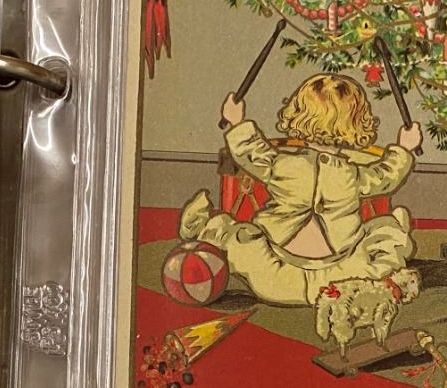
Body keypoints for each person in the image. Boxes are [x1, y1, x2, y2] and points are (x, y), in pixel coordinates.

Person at [176, 73, 423, 306]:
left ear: (299, 113)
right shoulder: (351, 174)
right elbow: (386, 176)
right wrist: (404, 148)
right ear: (358, 122)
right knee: (384, 236)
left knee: (238, 238)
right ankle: (398, 227)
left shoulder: (282, 164)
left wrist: (236, 121)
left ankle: (201, 227)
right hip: (338, 278)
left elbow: (251, 152)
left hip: (273, 275)